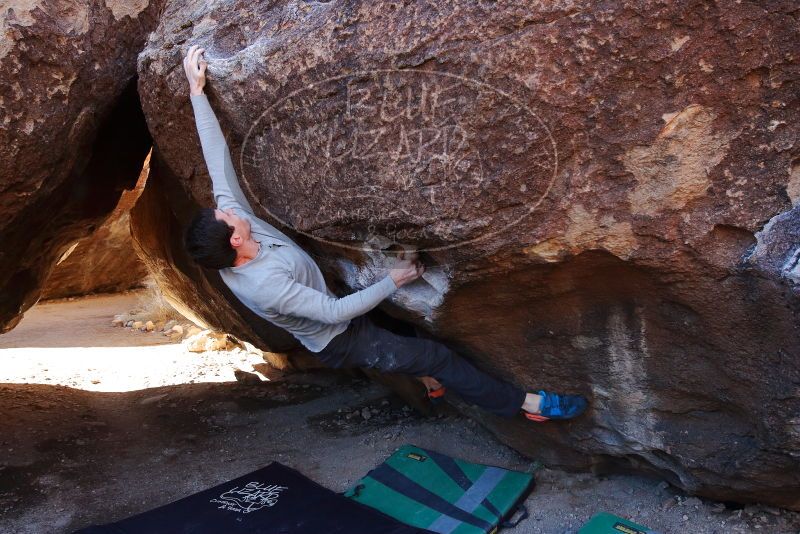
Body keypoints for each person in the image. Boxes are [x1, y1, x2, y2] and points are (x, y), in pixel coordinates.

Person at [181, 45, 588, 422]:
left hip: (334, 305)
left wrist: (197, 92)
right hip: (338, 339)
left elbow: (217, 162)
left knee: (404, 329)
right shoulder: (264, 284)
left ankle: (430, 382)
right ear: (235, 240)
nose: (228, 209)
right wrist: (394, 279)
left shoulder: (233, 237)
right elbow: (333, 314)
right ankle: (525, 406)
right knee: (435, 354)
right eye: (227, 217)